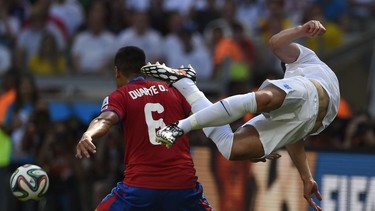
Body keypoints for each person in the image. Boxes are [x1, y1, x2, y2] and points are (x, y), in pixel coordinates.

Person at [141, 20, 340, 211]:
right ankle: (181, 120)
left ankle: (185, 83)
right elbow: (275, 43)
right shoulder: (291, 76)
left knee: (233, 147)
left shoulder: (307, 61)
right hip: (304, 108)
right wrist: (301, 30)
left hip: (307, 107)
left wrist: (306, 177)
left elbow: (296, 138)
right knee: (261, 104)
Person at [74, 46, 212, 211]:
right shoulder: (173, 90)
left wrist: (88, 134)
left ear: (116, 71)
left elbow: (105, 119)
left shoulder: (120, 96)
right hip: (182, 184)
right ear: (144, 70)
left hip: (140, 186)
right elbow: (205, 117)